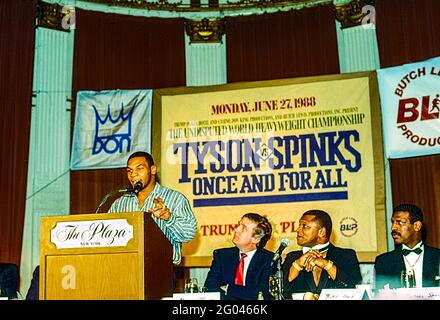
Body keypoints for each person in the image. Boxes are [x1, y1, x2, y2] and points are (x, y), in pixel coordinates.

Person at [108, 151, 197, 265]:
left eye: (139, 168)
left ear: (153, 170)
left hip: (161, 270)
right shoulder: (120, 204)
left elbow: (188, 234)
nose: (133, 174)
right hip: (126, 268)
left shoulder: (175, 198)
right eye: (129, 170)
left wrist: (169, 218)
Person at [282, 209, 362, 299]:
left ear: (321, 232)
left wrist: (326, 264)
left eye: (304, 226)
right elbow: (280, 292)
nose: (297, 230)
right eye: (299, 225)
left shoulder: (345, 256)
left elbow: (355, 288)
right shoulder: (293, 258)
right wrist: (297, 265)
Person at [204, 213, 274, 300]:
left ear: (256, 239)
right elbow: (209, 289)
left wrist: (228, 288)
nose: (236, 229)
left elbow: (263, 293)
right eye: (238, 225)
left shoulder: (269, 259)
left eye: (243, 228)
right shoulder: (222, 256)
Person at [374, 203, 440, 290]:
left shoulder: (438, 257)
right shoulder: (383, 262)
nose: (393, 227)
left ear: (417, 226)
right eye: (392, 222)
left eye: (400, 223)